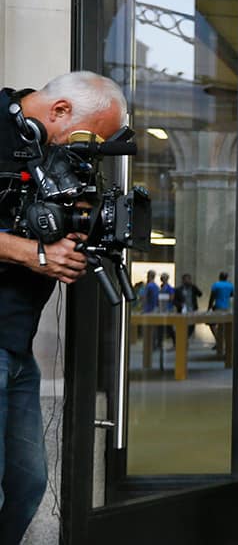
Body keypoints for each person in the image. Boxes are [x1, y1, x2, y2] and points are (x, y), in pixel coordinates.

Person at [0, 71, 127, 544]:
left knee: (27, 483)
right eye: (88, 138)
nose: (87, 152)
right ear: (58, 111)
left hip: (16, 347)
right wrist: (34, 254)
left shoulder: (59, 155)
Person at [207, 272, 235, 355]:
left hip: (218, 307)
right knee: (223, 325)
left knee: (212, 324)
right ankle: (222, 342)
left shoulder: (216, 285)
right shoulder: (230, 285)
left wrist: (209, 308)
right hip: (226, 308)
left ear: (219, 277)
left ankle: (219, 341)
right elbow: (232, 295)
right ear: (227, 277)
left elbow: (212, 296)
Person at [172, 273, 203, 340]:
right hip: (182, 311)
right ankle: (181, 340)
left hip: (192, 310)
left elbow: (200, 294)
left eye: (188, 279)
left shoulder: (193, 288)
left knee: (191, 326)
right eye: (186, 280)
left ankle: (185, 338)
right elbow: (174, 301)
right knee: (181, 326)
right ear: (183, 281)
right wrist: (180, 304)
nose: (187, 281)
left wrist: (194, 286)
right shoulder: (178, 290)